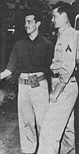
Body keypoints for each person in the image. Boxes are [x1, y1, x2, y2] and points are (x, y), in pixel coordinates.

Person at [0, 8, 54, 154]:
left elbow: (53, 70)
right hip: (23, 88)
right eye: (25, 22)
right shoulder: (19, 45)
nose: (26, 25)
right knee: (27, 123)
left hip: (40, 87)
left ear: (38, 23)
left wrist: (53, 90)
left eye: (29, 22)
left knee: (43, 122)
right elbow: (11, 67)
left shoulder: (47, 45)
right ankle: (28, 150)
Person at [37, 2, 78, 154]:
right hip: (65, 84)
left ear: (64, 15)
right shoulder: (63, 35)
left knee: (49, 131)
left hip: (65, 86)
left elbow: (68, 66)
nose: (52, 20)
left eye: (54, 16)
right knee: (67, 130)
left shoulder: (70, 35)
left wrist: (57, 90)